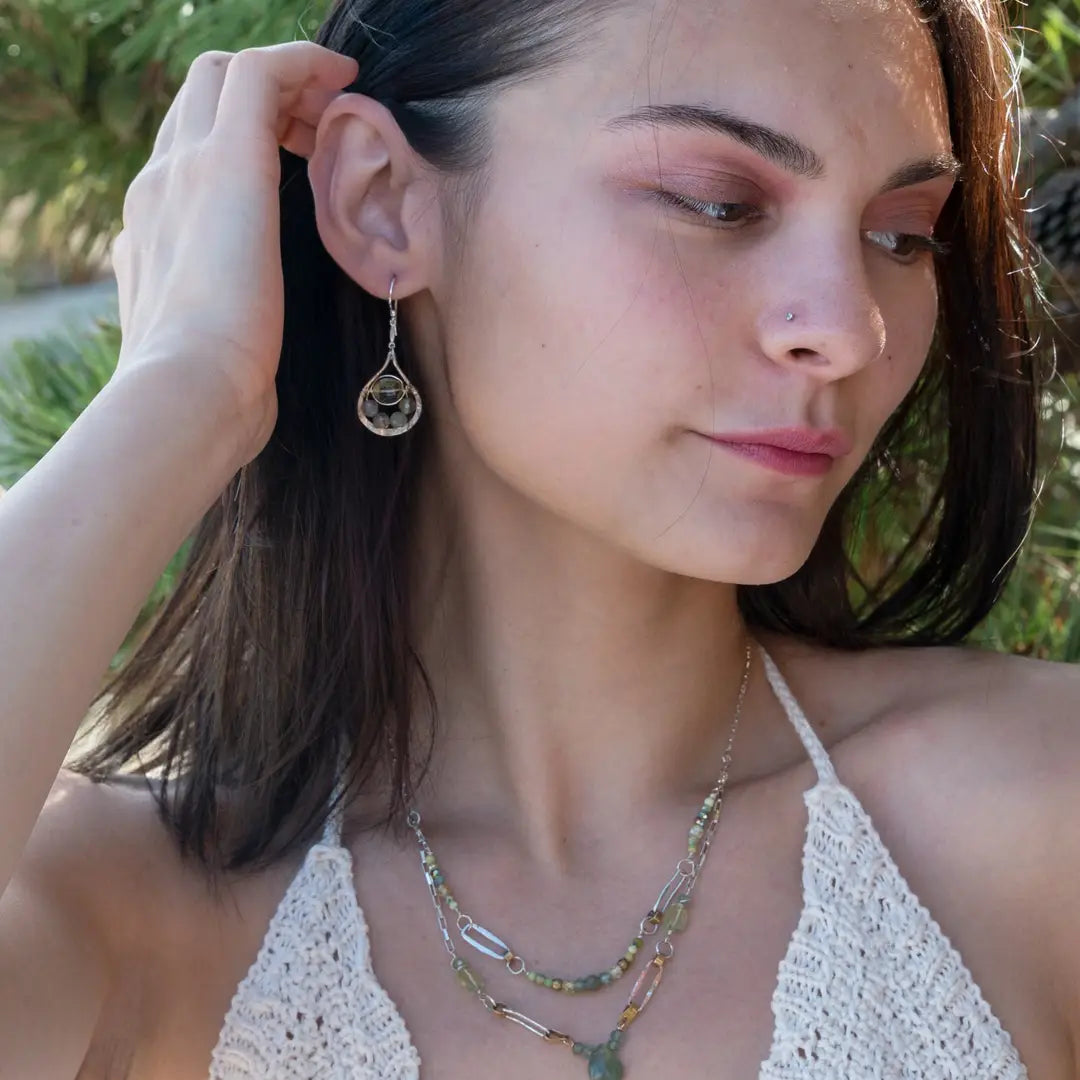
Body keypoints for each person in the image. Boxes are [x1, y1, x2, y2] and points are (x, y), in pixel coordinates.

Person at [1, 0, 1077, 1076]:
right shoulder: (118, 916)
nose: (850, 328)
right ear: (381, 203)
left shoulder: (1034, 808)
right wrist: (184, 391)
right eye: (718, 203)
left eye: (899, 235)